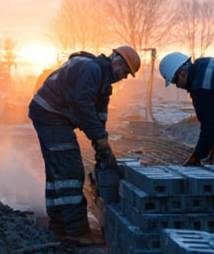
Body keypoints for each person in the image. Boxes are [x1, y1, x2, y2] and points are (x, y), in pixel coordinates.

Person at [29, 45, 140, 242]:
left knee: (57, 172)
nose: (124, 78)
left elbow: (99, 116)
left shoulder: (104, 83)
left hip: (51, 115)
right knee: (70, 170)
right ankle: (77, 231)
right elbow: (84, 106)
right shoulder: (92, 70)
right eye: (125, 73)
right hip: (50, 114)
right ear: (116, 62)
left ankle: (59, 225)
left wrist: (102, 146)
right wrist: (98, 138)